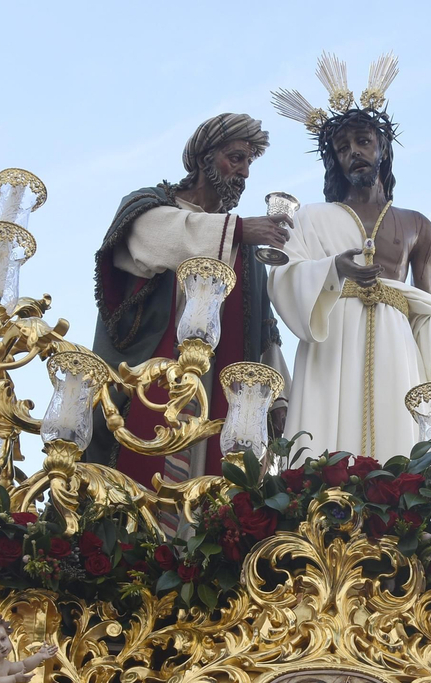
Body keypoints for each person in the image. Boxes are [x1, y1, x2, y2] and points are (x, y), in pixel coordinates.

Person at [269, 53, 431, 461]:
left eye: (363, 141)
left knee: (397, 443)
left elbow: (424, 307)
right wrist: (333, 270)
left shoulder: (416, 225)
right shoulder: (311, 217)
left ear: (383, 147)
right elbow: (283, 277)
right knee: (324, 447)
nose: (354, 152)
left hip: (394, 340)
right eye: (343, 147)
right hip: (330, 337)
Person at [87, 113, 291, 485]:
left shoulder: (242, 252)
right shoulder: (150, 206)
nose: (244, 172)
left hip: (215, 390)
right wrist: (241, 229)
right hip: (151, 380)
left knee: (208, 491)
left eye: (249, 162)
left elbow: (264, 326)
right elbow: (160, 239)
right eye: (235, 158)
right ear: (203, 160)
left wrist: (277, 398)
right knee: (139, 481)